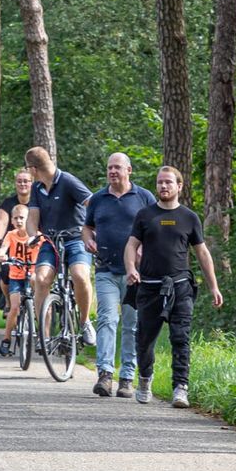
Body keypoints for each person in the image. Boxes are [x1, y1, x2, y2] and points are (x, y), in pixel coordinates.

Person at [124, 165, 224, 407]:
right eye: (160, 182)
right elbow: (130, 245)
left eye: (168, 182)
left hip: (180, 287)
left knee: (181, 338)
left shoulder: (189, 217)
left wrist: (214, 286)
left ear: (179, 186)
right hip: (149, 286)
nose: (163, 186)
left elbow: (202, 252)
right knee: (145, 339)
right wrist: (131, 269)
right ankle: (145, 378)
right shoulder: (145, 215)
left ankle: (181, 387)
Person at [82, 153, 156, 398]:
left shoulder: (144, 197)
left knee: (132, 325)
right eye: (109, 167)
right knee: (107, 319)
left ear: (129, 170)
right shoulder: (98, 198)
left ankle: (127, 378)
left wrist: (146, 247)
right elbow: (87, 226)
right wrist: (88, 240)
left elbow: (155, 228)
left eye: (117, 167)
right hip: (105, 269)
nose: (112, 171)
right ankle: (105, 374)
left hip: (135, 273)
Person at [23, 146, 96, 346]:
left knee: (80, 275)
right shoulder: (37, 189)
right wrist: (32, 236)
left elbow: (92, 203)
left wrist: (92, 228)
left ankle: (84, 322)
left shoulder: (68, 181)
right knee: (41, 279)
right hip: (50, 241)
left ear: (33, 169)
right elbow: (33, 217)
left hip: (75, 239)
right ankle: (44, 335)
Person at [0, 204, 44, 356]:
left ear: (28, 219)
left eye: (22, 218)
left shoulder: (37, 236)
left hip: (32, 274)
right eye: (16, 218)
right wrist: (2, 254)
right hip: (16, 276)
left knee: (38, 298)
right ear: (11, 220)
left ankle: (42, 333)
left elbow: (45, 249)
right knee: (15, 307)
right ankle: (6, 339)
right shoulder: (11, 235)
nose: (18, 221)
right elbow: (4, 247)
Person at [0, 167, 35, 251]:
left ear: (32, 183)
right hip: (12, 247)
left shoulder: (38, 202)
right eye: (19, 181)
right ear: (15, 183)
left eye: (25, 181)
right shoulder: (8, 203)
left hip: (33, 245)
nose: (22, 184)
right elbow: (2, 223)